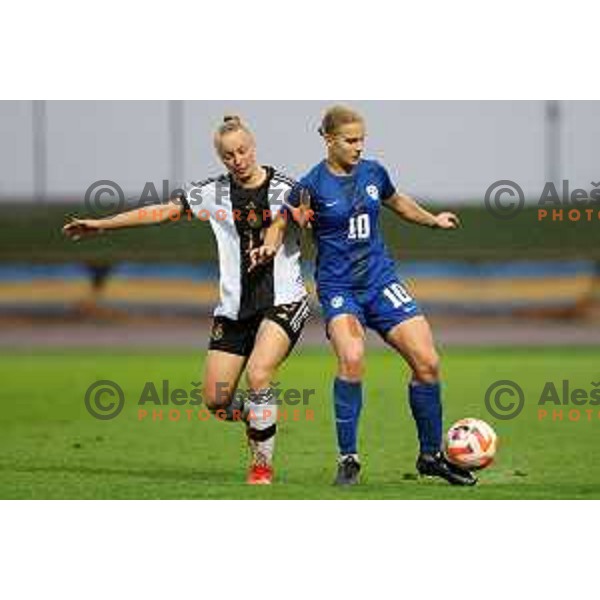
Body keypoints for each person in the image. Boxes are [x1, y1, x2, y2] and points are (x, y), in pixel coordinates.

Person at [63, 115, 310, 485]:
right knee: (216, 400)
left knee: (259, 374)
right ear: (220, 158)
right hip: (234, 308)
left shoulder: (288, 189)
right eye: (228, 155)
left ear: (253, 147)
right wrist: (102, 224)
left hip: (284, 299)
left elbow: (308, 220)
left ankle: (261, 467)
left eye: (242, 151)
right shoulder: (212, 192)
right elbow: (161, 211)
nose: (237, 159)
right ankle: (260, 416)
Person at [250, 105, 476, 486]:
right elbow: (281, 222)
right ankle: (349, 458)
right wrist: (269, 246)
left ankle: (430, 456)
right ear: (328, 139)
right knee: (352, 358)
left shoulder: (374, 172)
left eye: (362, 140)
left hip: (381, 281)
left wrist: (433, 220)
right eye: (350, 140)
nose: (358, 147)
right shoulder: (309, 186)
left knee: (428, 362)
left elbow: (398, 200)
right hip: (340, 289)